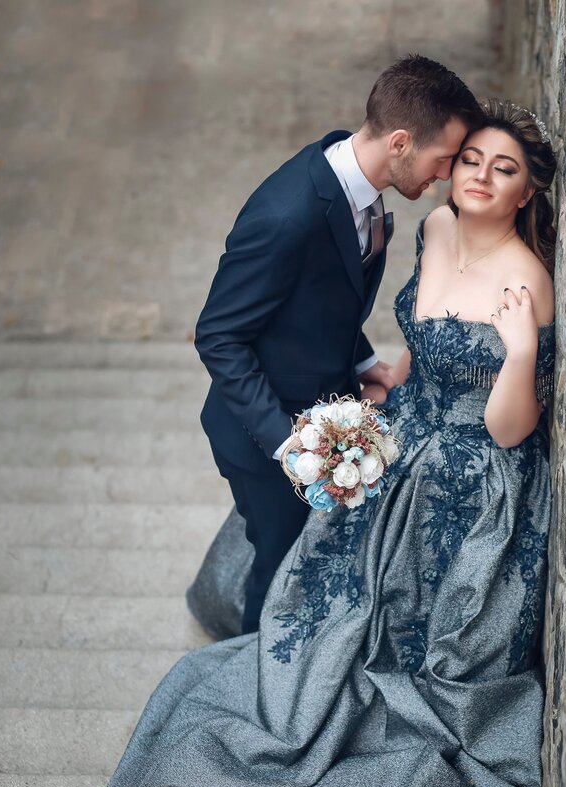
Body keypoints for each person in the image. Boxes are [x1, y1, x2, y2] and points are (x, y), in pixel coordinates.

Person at [78, 99, 558, 787]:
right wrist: (386, 379)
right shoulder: (435, 227)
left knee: (403, 634)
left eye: (500, 169)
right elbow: (420, 340)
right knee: (324, 594)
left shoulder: (525, 282)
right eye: (468, 159)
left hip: (471, 479)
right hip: (402, 438)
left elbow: (510, 430)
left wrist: (519, 352)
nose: (474, 176)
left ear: (525, 191)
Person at [189, 54, 482, 635]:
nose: (448, 175)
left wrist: (365, 362)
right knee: (278, 579)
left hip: (324, 415)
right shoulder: (287, 216)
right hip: (263, 438)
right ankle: (254, 680)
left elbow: (321, 298)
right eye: (444, 158)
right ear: (400, 142)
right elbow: (218, 335)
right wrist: (288, 446)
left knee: (309, 568)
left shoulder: (359, 183)